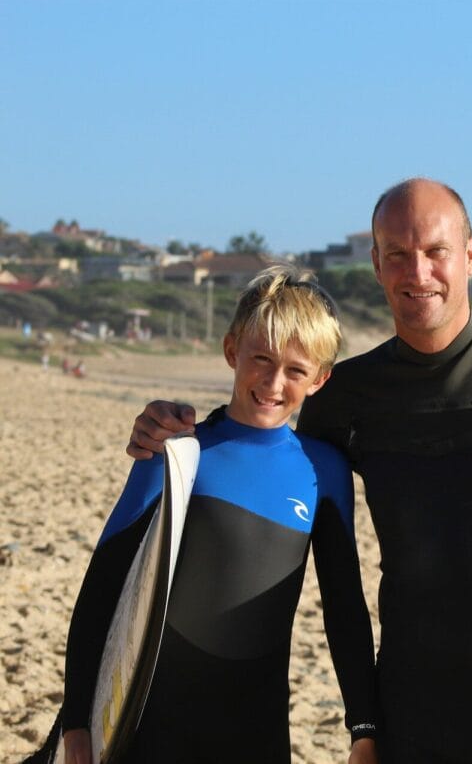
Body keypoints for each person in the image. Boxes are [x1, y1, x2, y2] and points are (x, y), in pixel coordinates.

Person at [128, 179, 472, 764]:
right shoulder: (346, 397)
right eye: (397, 254)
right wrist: (172, 431)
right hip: (413, 700)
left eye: (435, 251)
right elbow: (265, 455)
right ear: (376, 264)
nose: (417, 272)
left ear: (469, 255)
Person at [58, 266, 378, 764]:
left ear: (319, 378)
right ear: (232, 351)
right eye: (261, 359)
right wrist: (76, 718)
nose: (274, 382)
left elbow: (344, 608)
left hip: (257, 727)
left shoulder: (324, 470)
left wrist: (364, 727)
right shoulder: (177, 452)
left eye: (295, 370)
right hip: (155, 720)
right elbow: (104, 581)